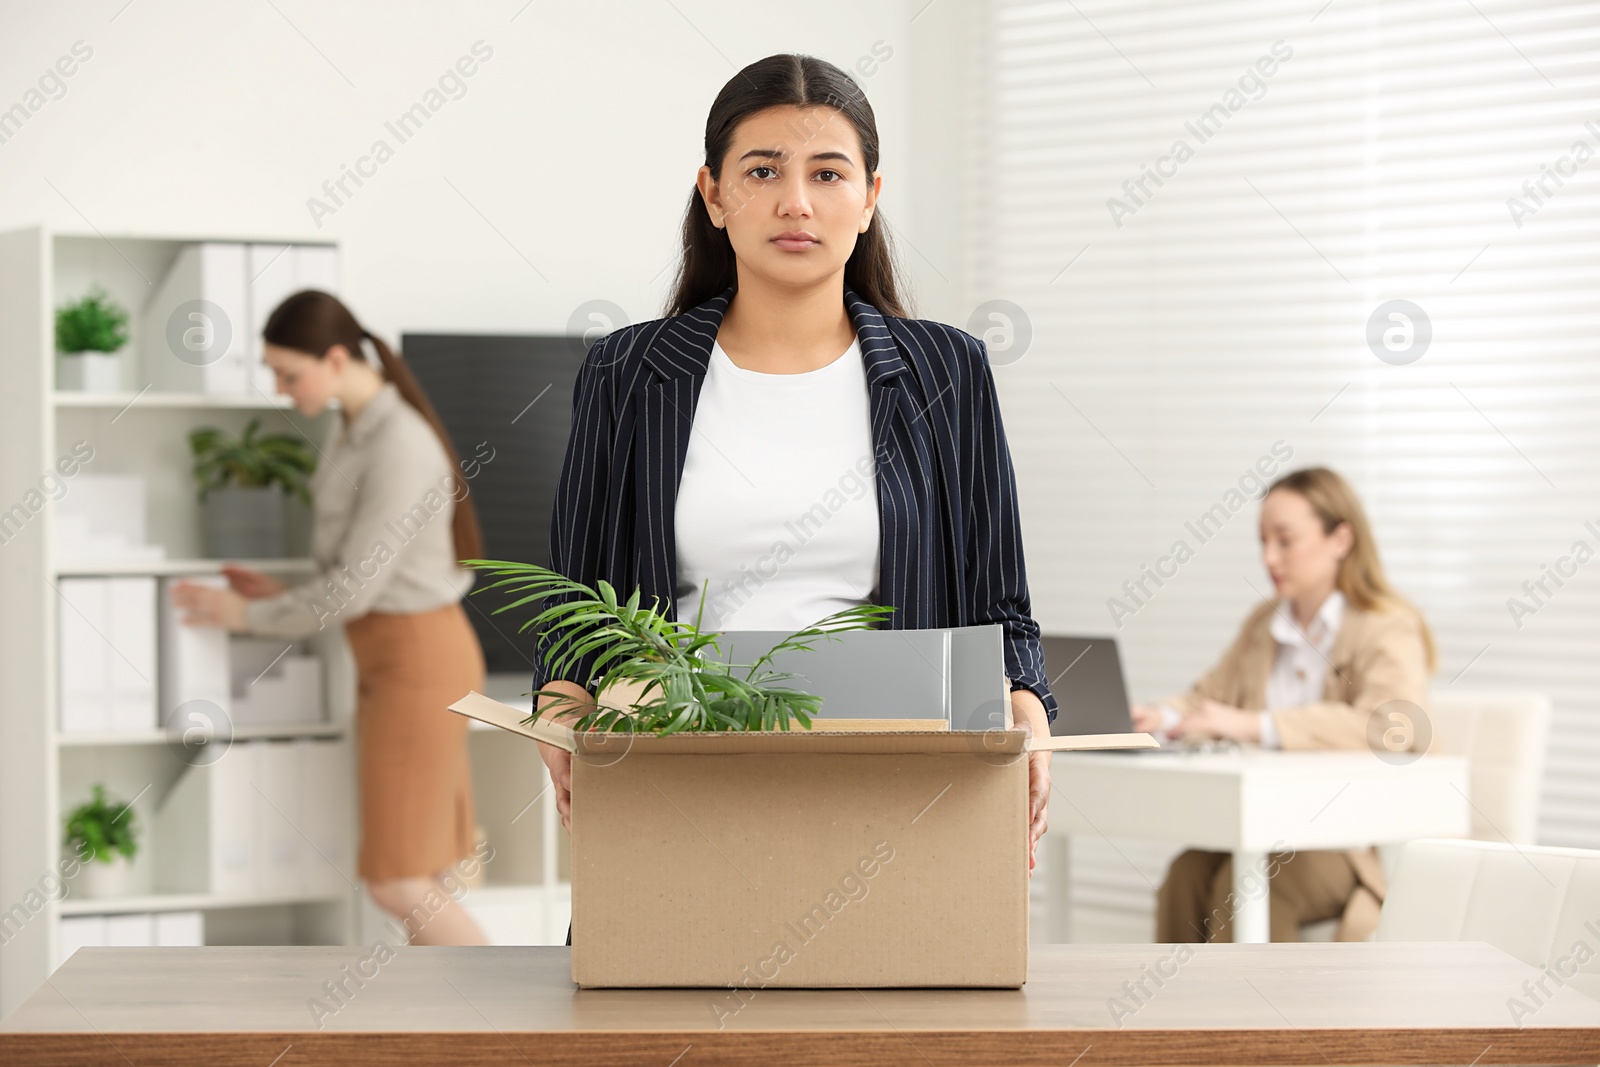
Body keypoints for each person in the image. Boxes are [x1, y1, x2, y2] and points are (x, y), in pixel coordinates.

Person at [533, 54, 1060, 942]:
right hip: (674, 774)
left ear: (870, 195)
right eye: (763, 171)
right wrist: (562, 702)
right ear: (713, 193)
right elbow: (575, 598)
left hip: (891, 785)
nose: (797, 203)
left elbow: (1002, 605)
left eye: (827, 174)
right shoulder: (628, 371)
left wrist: (1029, 709)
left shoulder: (947, 372)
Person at [171, 290, 490, 946]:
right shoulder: (353, 428)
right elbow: (354, 568)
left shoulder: (397, 443)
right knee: (425, 872)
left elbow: (353, 589)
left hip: (418, 659)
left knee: (398, 881)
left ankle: (504, 1031)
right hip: (391, 656)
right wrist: (279, 591)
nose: (281, 390)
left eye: (289, 374)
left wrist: (248, 613)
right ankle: (453, 1030)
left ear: (336, 358)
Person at [1133, 466, 1437, 943]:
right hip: (1265, 828)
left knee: (1248, 890)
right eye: (1262, 540)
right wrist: (1163, 716)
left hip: (1347, 844)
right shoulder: (1264, 623)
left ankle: (1252, 1019)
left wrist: (1255, 725)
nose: (1269, 557)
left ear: (1340, 539)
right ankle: (1177, 1018)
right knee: (1184, 877)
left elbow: (1395, 724)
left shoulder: (1386, 625)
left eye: (1285, 539)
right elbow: (1208, 696)